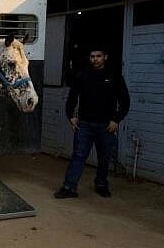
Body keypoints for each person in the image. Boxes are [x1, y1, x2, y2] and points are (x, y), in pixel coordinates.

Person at [54, 46, 130, 199]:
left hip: (106, 125)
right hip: (85, 125)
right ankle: (69, 187)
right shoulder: (83, 75)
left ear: (105, 57)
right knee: (78, 156)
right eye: (92, 56)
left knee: (104, 157)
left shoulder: (114, 76)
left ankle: (101, 185)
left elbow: (125, 101)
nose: (95, 59)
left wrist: (116, 119)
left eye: (98, 56)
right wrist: (71, 116)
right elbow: (72, 97)